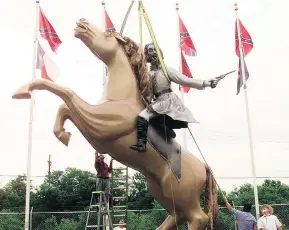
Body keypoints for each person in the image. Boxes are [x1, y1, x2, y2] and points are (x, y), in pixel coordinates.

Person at [130, 42, 224, 152]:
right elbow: (148, 94)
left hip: (168, 101)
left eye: (155, 50)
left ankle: (141, 145)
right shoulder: (149, 74)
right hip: (157, 102)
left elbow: (185, 80)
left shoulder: (166, 70)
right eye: (150, 50)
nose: (153, 52)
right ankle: (167, 132)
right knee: (146, 118)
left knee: (143, 116)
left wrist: (205, 83)